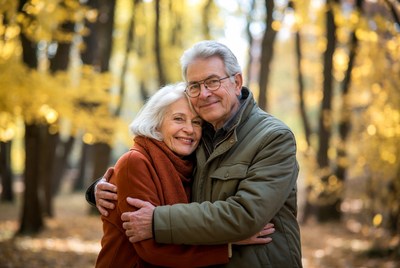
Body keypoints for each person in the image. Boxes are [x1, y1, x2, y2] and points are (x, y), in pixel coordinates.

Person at [89, 40, 302, 267]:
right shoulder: (200, 137)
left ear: (237, 82)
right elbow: (144, 167)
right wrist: (100, 188)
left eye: (212, 81)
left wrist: (156, 220)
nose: (204, 93)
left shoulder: (273, 137)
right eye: (195, 85)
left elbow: (246, 216)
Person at [94, 82, 274, 267]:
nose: (189, 129)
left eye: (196, 122)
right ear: (156, 124)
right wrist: (229, 243)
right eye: (178, 119)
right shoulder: (135, 162)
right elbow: (152, 248)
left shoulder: (193, 165)